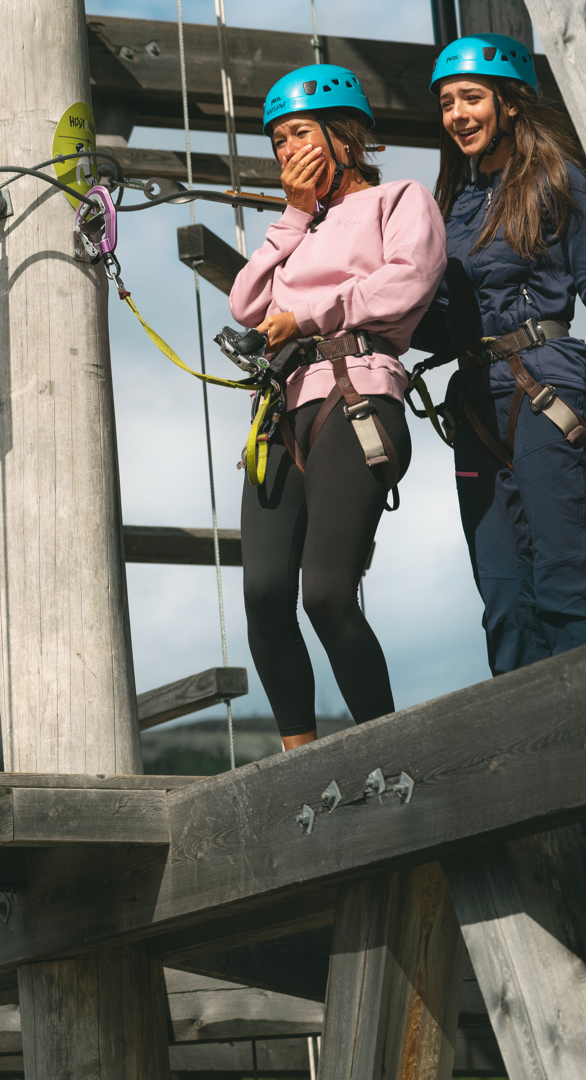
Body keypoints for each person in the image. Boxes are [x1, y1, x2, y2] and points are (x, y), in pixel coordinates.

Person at [230, 65, 447, 751]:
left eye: (299, 135)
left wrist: (311, 313)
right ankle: (298, 759)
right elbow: (246, 304)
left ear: (344, 136)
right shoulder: (300, 228)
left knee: (326, 592)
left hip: (357, 393)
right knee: (265, 594)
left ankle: (386, 753)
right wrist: (293, 216)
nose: (287, 152)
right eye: (278, 143)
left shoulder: (401, 201)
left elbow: (405, 283)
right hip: (283, 411)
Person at [419, 34, 586, 674]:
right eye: (445, 102)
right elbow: (437, 320)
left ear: (509, 103)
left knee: (566, 582)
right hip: (476, 403)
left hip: (545, 385)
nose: (456, 113)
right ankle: (532, 765)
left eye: (470, 98)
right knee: (504, 601)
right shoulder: (452, 207)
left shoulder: (557, 179)